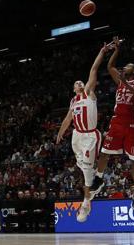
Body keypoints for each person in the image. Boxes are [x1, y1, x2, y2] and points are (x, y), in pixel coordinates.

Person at [56, 41, 115, 222]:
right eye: (76, 83)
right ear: (74, 89)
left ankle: (87, 201)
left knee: (88, 168)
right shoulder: (73, 102)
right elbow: (68, 119)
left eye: (80, 81)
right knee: (83, 169)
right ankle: (89, 195)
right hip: (76, 136)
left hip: (90, 134)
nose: (79, 82)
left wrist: (102, 51)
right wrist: (60, 133)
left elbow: (93, 69)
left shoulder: (89, 93)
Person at [90, 39, 134, 211]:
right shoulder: (120, 80)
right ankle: (99, 178)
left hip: (131, 124)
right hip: (117, 122)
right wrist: (116, 50)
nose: (124, 68)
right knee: (104, 153)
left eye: (127, 66)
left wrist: (127, 84)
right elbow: (109, 67)